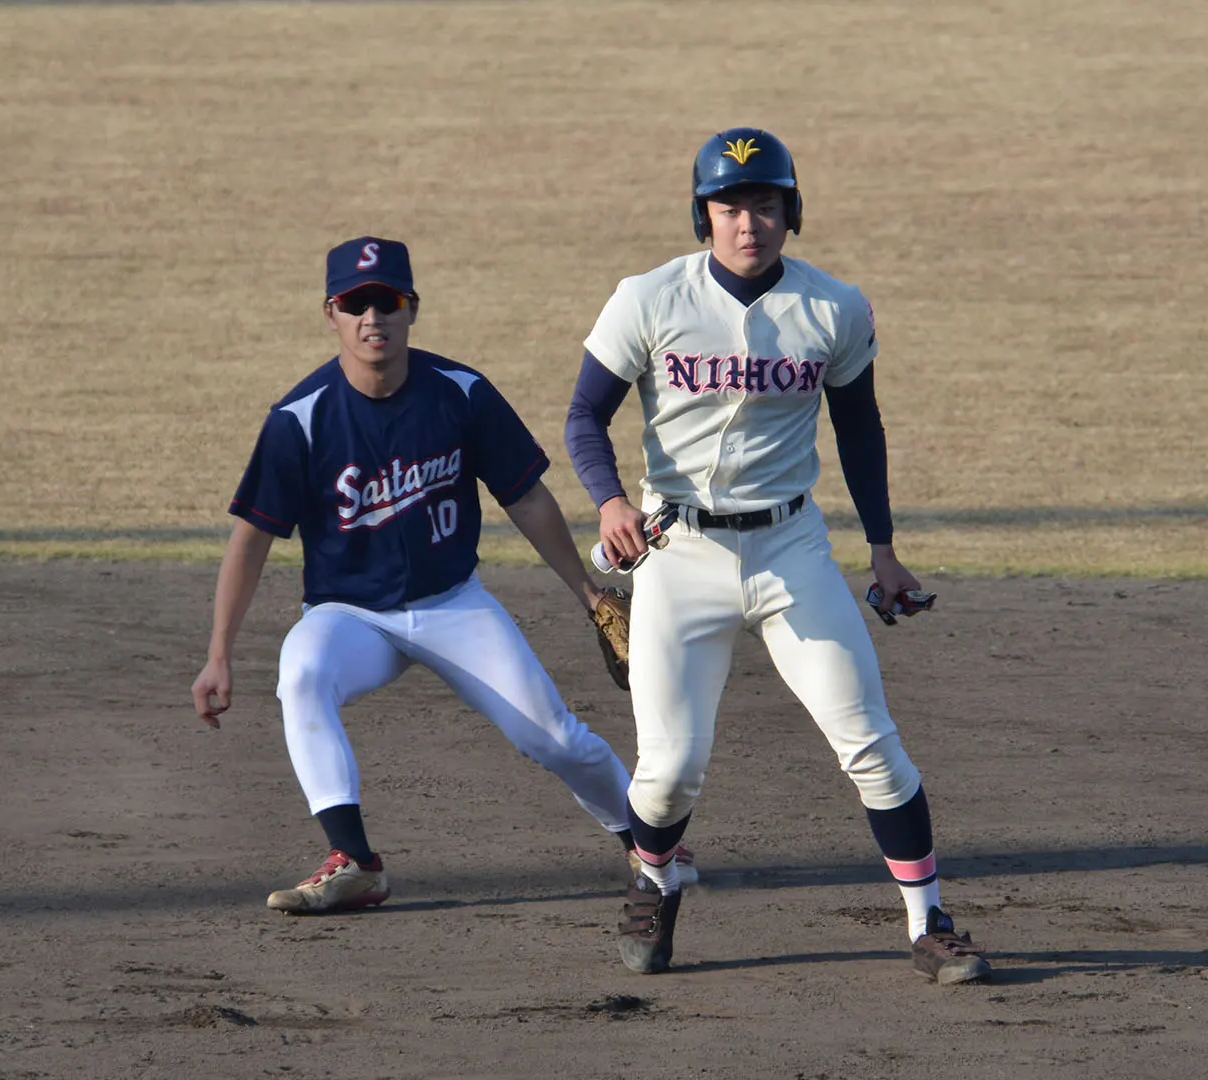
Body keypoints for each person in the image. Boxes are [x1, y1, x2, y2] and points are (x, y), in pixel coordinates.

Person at [564, 129, 991, 984]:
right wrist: (610, 501)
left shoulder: (834, 308)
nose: (747, 222)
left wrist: (882, 549)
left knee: (869, 742)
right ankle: (655, 874)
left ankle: (929, 920)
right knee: (667, 774)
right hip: (677, 551)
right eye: (729, 206)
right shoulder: (647, 298)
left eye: (764, 204)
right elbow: (584, 418)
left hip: (792, 547)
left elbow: (859, 429)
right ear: (704, 217)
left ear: (790, 212)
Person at [191, 236, 689, 914]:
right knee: (301, 672)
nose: (373, 317)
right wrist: (218, 653)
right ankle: (355, 862)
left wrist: (588, 591)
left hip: (455, 605)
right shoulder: (298, 421)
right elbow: (250, 539)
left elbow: (527, 498)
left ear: (411, 309)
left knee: (551, 736)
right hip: (348, 615)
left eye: (387, 301)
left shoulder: (461, 393)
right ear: (331, 313)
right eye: (356, 303)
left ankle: (650, 843)